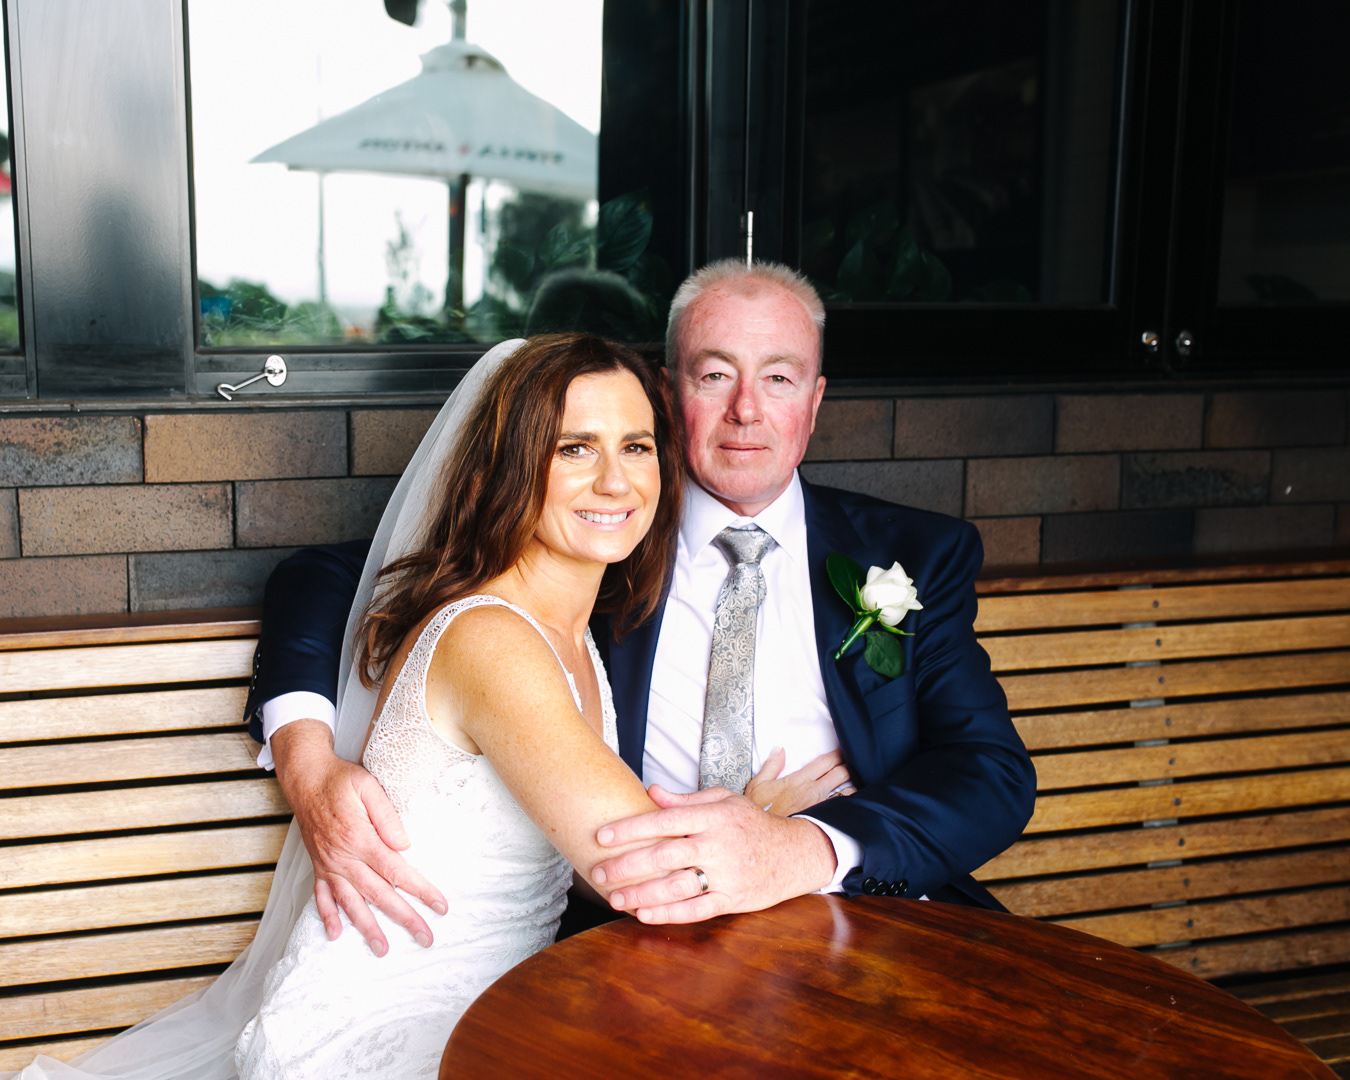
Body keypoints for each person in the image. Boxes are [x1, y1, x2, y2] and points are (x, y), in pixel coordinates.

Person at [249, 259, 1037, 955]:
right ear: (668, 391)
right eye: (715, 375)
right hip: (646, 935)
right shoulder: (599, 534)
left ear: (815, 399)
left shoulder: (914, 554)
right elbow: (327, 577)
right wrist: (309, 764)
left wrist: (803, 848)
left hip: (871, 914)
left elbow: (991, 772)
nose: (747, 410)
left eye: (779, 378)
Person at [8, 333, 685, 1080]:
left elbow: (591, 861)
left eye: (636, 447)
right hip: (388, 1022)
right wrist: (767, 829)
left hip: (500, 1004)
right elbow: (645, 866)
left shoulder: (573, 634)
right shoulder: (494, 639)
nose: (615, 480)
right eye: (575, 449)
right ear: (510, 468)